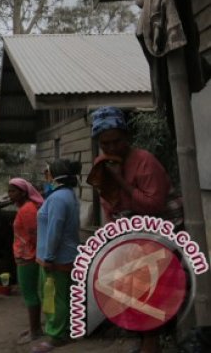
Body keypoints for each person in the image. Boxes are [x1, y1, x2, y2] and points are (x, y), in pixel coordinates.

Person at [89, 106, 182, 353]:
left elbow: (153, 206)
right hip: (131, 229)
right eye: (104, 143)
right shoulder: (103, 165)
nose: (110, 148)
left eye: (116, 141)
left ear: (127, 137)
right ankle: (141, 337)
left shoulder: (144, 162)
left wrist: (119, 179)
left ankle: (151, 342)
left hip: (163, 227)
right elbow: (110, 206)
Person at [32, 159, 81, 353]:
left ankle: (56, 336)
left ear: (54, 175)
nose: (46, 176)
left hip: (57, 257)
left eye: (47, 173)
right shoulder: (66, 195)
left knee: (55, 297)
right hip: (61, 255)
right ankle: (64, 330)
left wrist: (49, 257)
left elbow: (55, 229)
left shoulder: (58, 198)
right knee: (61, 296)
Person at [7, 177, 44, 345]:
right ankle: (34, 328)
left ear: (23, 193)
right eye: (9, 191)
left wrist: (38, 254)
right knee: (29, 293)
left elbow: (35, 235)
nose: (9, 195)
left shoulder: (27, 210)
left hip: (28, 257)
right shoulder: (25, 208)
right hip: (25, 256)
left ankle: (35, 332)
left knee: (30, 294)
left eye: (13, 191)